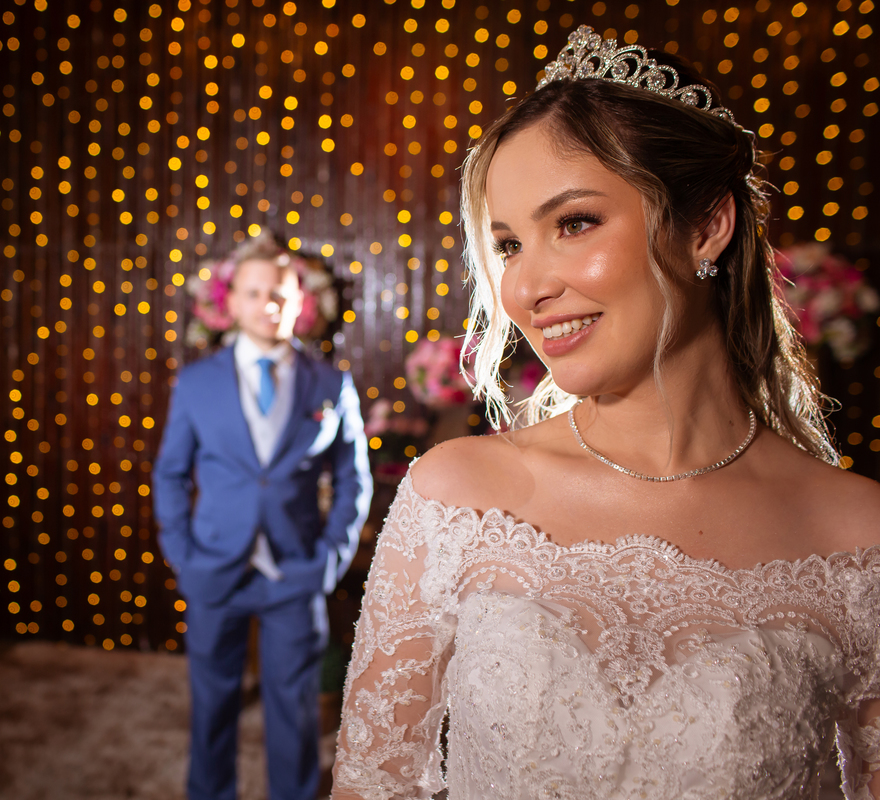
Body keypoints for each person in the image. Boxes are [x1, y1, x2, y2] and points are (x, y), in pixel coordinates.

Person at [332, 26, 880, 799]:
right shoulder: (458, 500)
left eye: (574, 223)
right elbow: (372, 785)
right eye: (509, 246)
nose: (525, 289)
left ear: (706, 226)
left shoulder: (858, 537)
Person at [154, 233, 372, 800]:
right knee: (212, 703)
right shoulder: (196, 383)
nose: (266, 304)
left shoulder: (330, 382)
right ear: (231, 302)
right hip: (213, 567)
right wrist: (182, 554)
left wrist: (329, 558)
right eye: (253, 293)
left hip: (295, 571)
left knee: (294, 708)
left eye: (278, 293)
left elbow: (353, 479)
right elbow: (170, 474)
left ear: (300, 301)